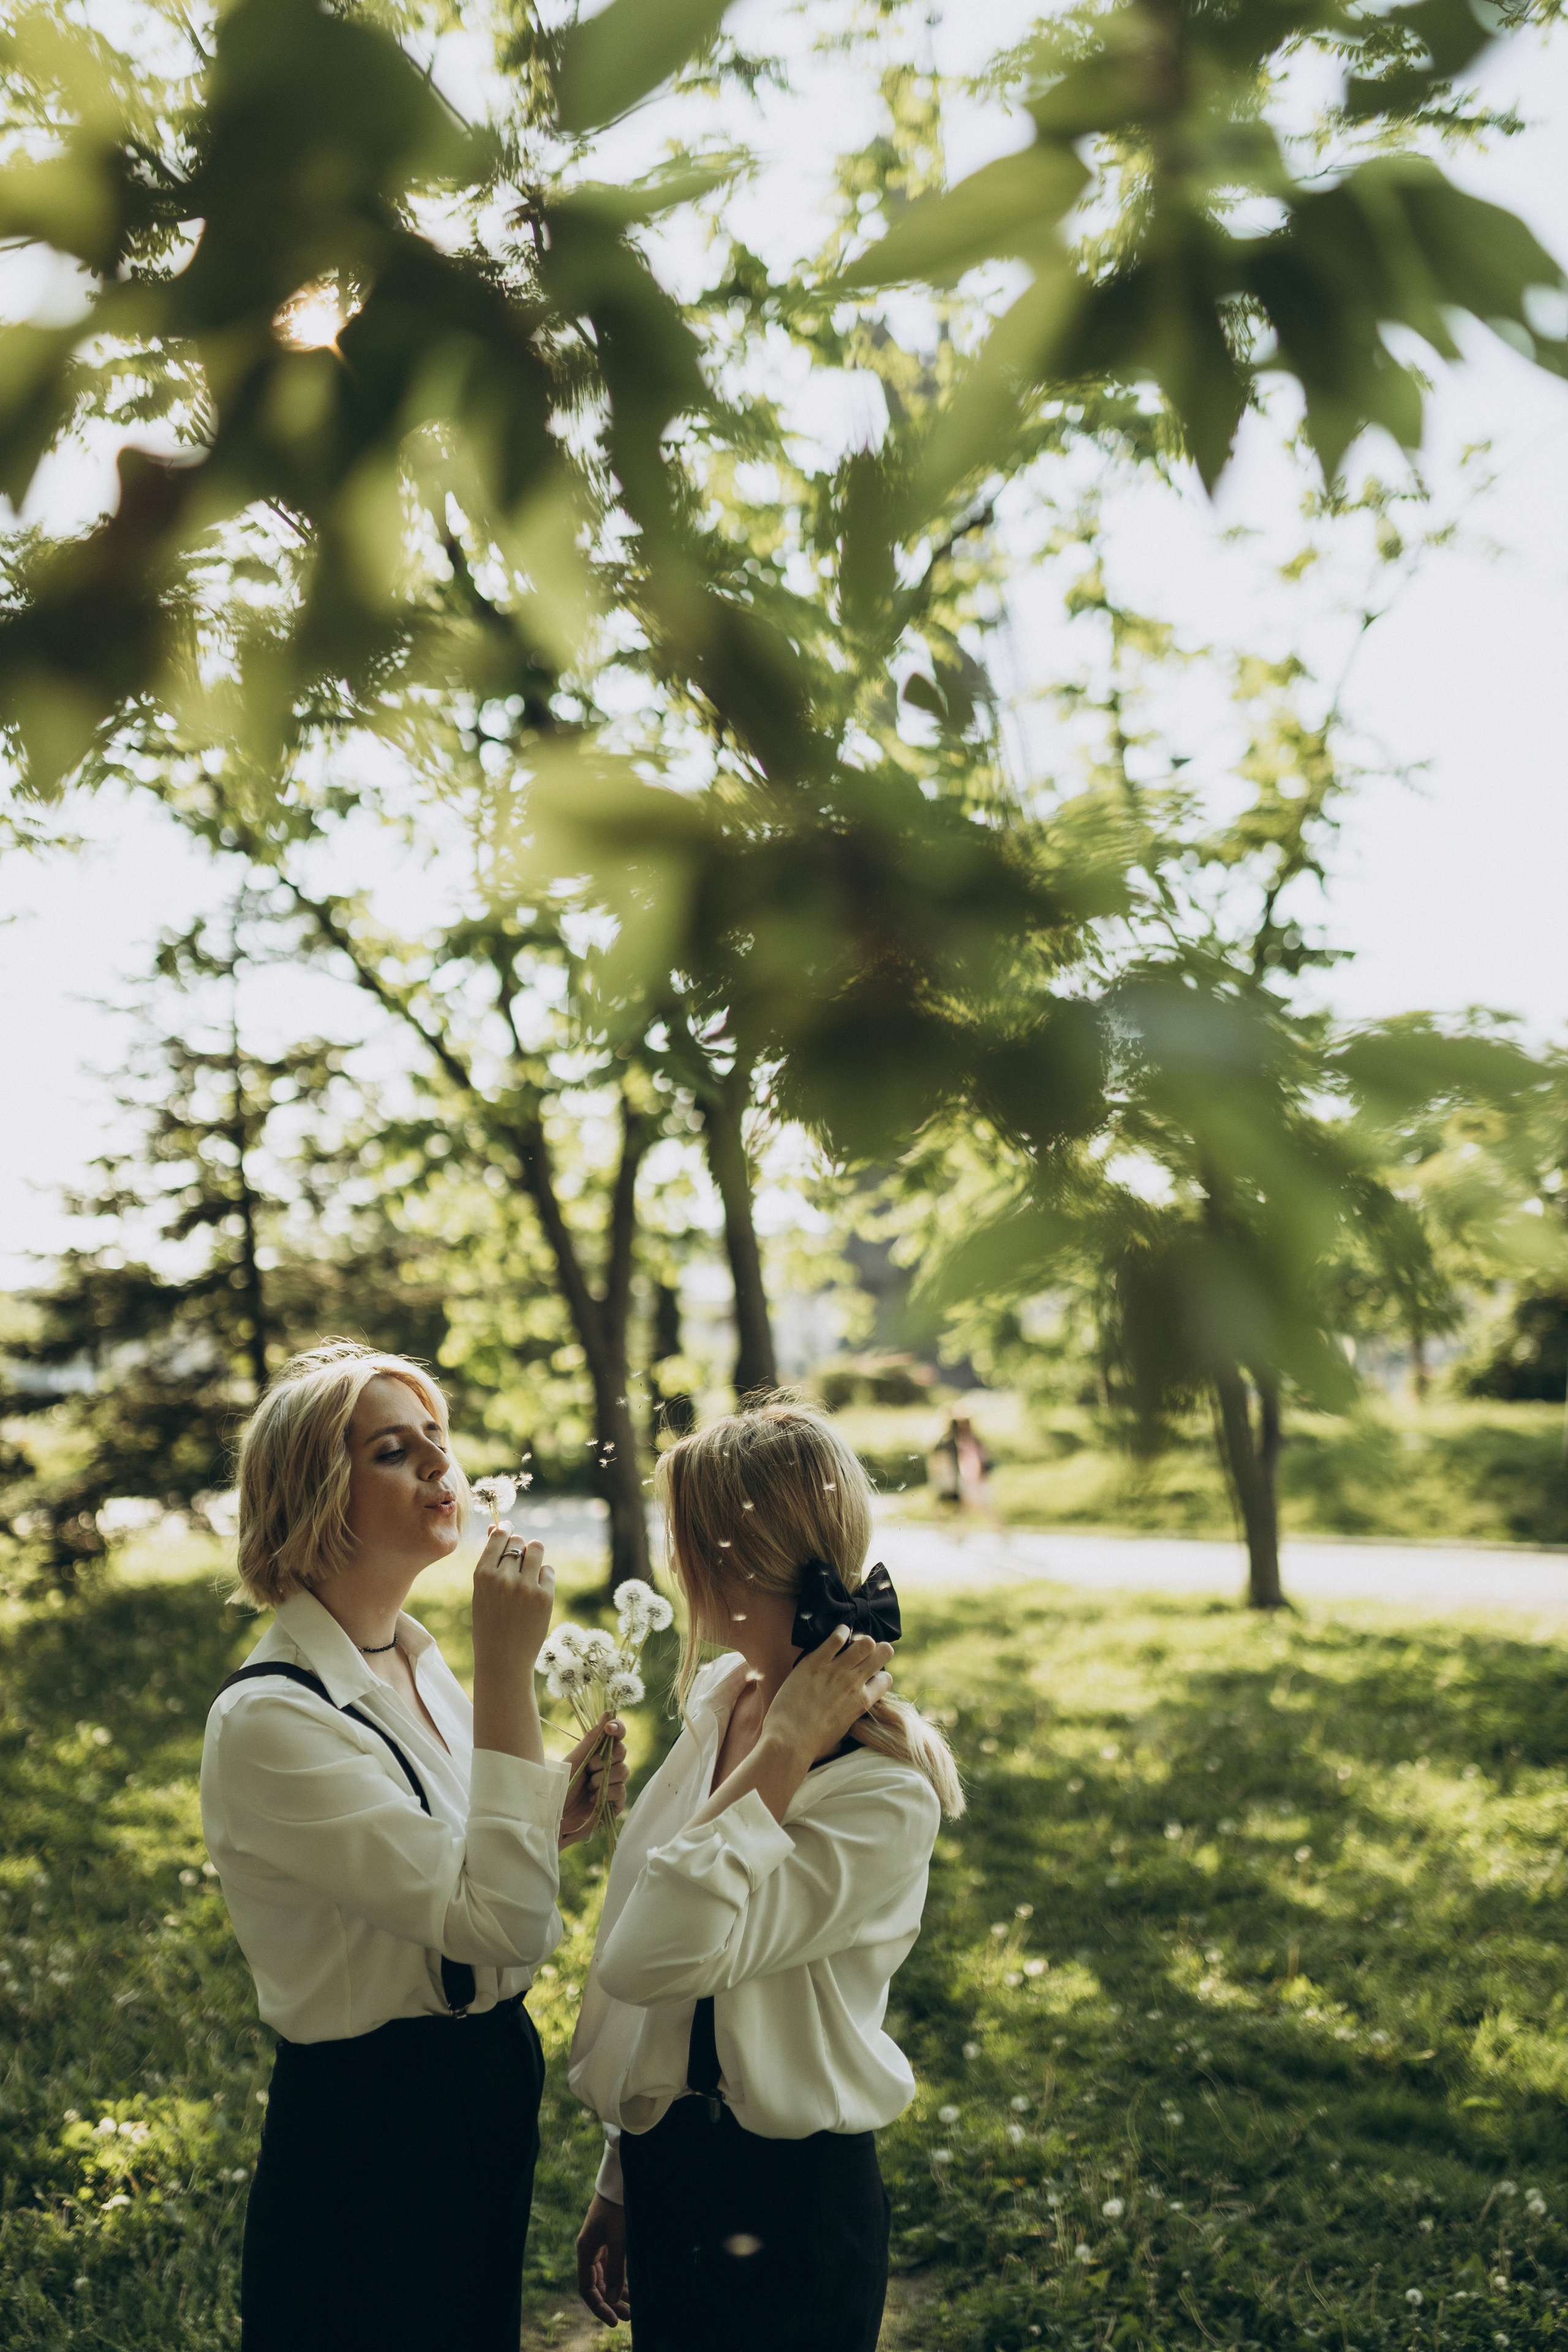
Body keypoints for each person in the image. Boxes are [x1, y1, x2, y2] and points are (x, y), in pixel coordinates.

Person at [199, 1340, 626, 2352]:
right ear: (314, 1496)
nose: (442, 1466)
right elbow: (502, 1921)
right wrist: (512, 1670)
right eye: (394, 1450)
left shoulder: (418, 1664)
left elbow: (467, 1868)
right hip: (373, 2120)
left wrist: (543, 1814)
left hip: (479, 2083)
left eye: (437, 1438)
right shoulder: (271, 1719)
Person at [569, 1397, 964, 2352]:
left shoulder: (879, 1792)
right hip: (672, 2175)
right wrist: (624, 2174)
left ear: (724, 1559)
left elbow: (650, 1955)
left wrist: (787, 1746)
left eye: (683, 1540)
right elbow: (654, 1973)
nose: (673, 1564)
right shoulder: (722, 1699)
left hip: (791, 2203)